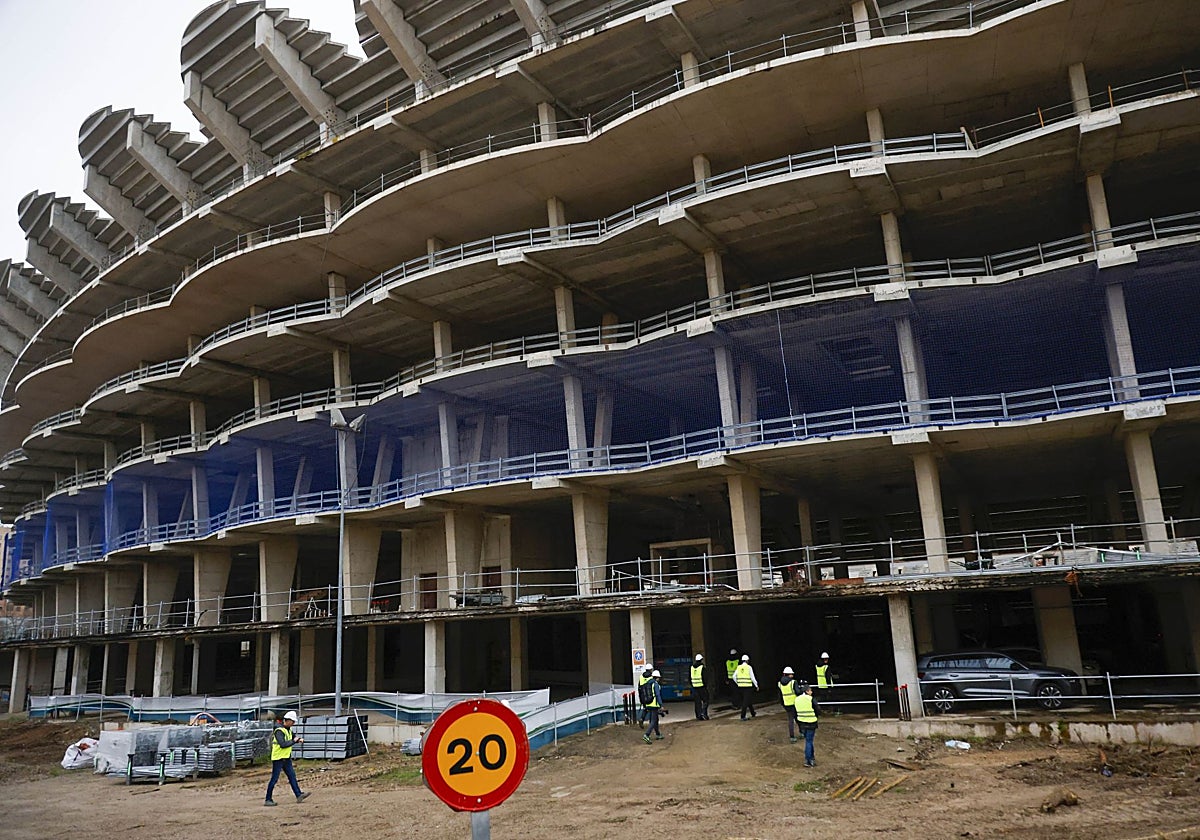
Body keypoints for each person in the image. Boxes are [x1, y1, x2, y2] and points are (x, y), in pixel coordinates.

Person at [265, 711, 310, 806]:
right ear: (287, 720)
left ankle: (298, 794)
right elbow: (283, 744)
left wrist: (298, 739)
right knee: (274, 779)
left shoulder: (288, 729)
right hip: (278, 758)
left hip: (286, 757)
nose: (293, 723)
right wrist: (294, 741)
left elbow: (293, 737)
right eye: (292, 721)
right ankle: (268, 799)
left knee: (292, 776)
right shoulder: (279, 730)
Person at [795, 681, 821, 767]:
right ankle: (808, 760)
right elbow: (818, 709)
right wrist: (816, 716)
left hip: (801, 723)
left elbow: (795, 712)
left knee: (808, 740)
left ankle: (811, 758)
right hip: (811, 722)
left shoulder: (797, 699)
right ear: (806, 691)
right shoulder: (810, 699)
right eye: (810, 690)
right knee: (809, 741)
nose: (811, 692)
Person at [778, 666, 800, 743]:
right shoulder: (793, 682)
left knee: (790, 720)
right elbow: (797, 692)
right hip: (794, 703)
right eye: (792, 674)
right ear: (789, 674)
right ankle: (801, 732)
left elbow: (780, 695)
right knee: (798, 718)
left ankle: (792, 737)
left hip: (786, 704)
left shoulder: (779, 683)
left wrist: (782, 703)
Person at [641, 669, 665, 743]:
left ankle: (658, 734)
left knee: (655, 720)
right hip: (654, 704)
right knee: (653, 721)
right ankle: (646, 735)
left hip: (648, 704)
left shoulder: (648, 683)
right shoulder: (655, 684)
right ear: (657, 677)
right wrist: (661, 705)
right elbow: (657, 695)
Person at [733, 653, 758, 720]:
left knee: (748, 700)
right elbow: (752, 678)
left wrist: (738, 683)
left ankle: (753, 713)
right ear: (747, 660)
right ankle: (743, 716)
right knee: (745, 702)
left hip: (741, 687)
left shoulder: (738, 667)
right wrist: (756, 685)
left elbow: (734, 676)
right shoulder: (749, 667)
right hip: (748, 687)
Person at [690, 654, 710, 720]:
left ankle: (699, 716)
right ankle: (704, 713)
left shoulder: (692, 668)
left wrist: (693, 684)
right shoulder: (702, 668)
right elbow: (705, 678)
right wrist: (705, 685)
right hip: (702, 687)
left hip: (695, 688)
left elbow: (689, 678)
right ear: (701, 660)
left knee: (697, 702)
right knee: (706, 700)